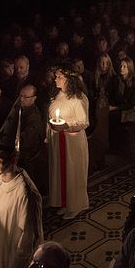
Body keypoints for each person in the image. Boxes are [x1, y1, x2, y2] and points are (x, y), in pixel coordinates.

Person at [47, 63, 90, 220]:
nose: (55, 80)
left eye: (59, 77)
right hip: (58, 141)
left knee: (73, 173)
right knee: (60, 172)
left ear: (69, 79)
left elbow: (84, 122)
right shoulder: (57, 95)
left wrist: (66, 125)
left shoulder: (78, 98)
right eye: (56, 76)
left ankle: (76, 205)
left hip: (73, 143)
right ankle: (64, 202)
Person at [107, 56, 135, 156]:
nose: (122, 68)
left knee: (116, 116)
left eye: (125, 66)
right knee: (110, 117)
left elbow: (131, 103)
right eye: (121, 66)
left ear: (130, 68)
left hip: (131, 109)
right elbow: (113, 96)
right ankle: (114, 146)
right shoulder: (117, 80)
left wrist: (116, 108)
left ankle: (125, 148)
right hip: (119, 106)